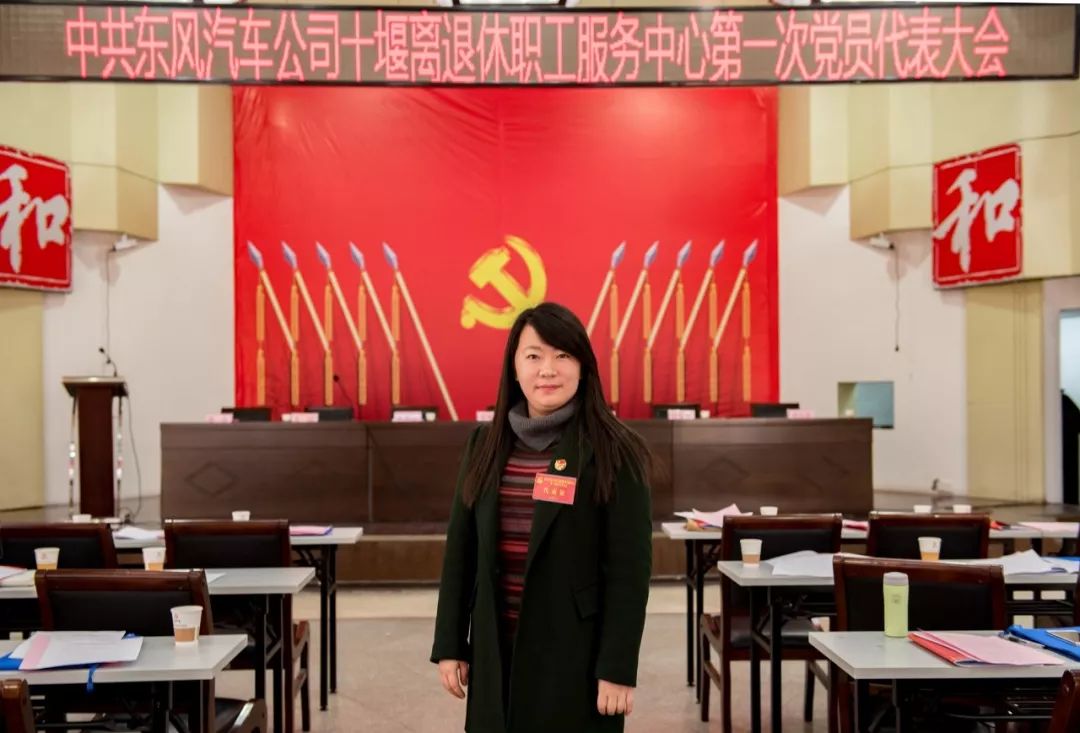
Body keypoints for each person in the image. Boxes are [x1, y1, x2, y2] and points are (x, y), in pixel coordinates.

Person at [431, 302, 653, 733]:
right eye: (533, 356)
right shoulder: (483, 445)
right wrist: (451, 643)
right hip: (496, 649)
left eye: (562, 355)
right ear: (515, 369)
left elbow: (629, 571)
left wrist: (618, 667)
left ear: (583, 367)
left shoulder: (615, 450)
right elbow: (461, 551)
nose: (547, 370)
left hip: (575, 655)